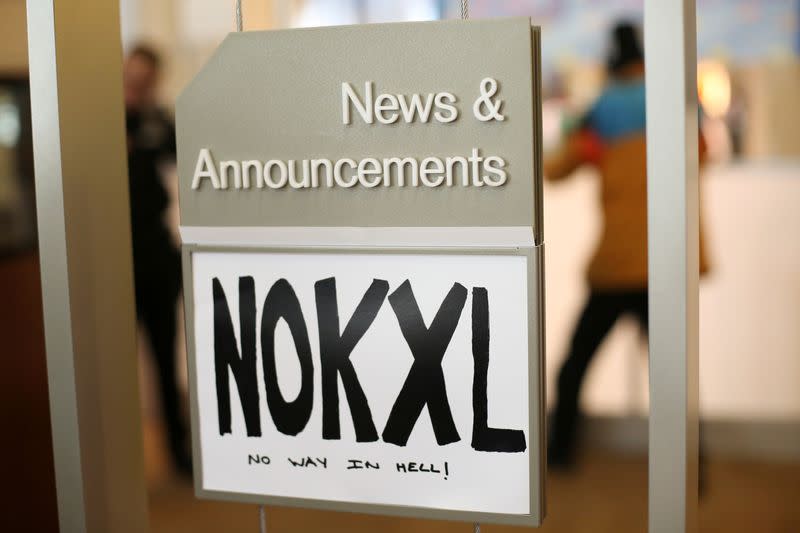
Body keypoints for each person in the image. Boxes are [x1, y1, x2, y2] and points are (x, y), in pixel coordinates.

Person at [544, 22, 709, 467]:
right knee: (674, 375)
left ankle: (560, 455)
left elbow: (554, 171)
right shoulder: (675, 100)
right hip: (668, 260)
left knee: (574, 364)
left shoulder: (601, 110)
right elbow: (704, 156)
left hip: (618, 264)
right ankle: (695, 465)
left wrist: (575, 129)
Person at [124, 44, 190, 475]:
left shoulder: (161, 120)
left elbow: (182, 161)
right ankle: (117, 456)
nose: (139, 84)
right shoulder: (102, 119)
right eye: (134, 76)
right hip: (117, 257)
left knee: (166, 361)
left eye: (146, 77)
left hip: (157, 257)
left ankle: (178, 453)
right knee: (113, 361)